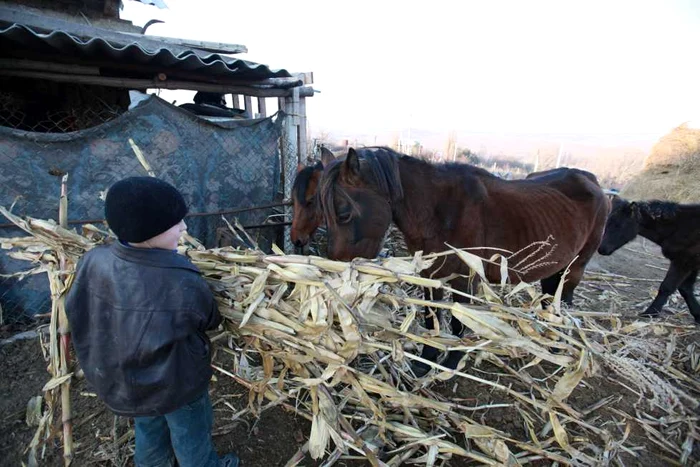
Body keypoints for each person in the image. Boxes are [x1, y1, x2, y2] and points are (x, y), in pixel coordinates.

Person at [66, 176, 239, 467]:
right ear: (148, 231)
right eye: (176, 223)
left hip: (127, 381)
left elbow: (76, 307)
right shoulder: (179, 278)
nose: (184, 228)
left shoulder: (94, 260)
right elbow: (210, 319)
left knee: (148, 425)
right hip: (177, 385)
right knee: (191, 434)